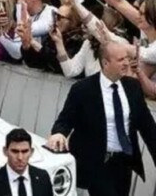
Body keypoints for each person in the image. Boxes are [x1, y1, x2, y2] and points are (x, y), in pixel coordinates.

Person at [47, 42, 156, 195]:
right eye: (120, 60)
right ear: (105, 63)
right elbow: (65, 119)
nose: (126, 63)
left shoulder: (133, 87)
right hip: (97, 162)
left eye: (127, 58)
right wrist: (59, 133)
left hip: (124, 163)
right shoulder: (83, 89)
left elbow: (148, 127)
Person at [0, 128, 53, 196]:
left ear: (31, 152)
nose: (20, 157)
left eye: (24, 151)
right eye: (15, 151)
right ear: (5, 151)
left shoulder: (43, 178)